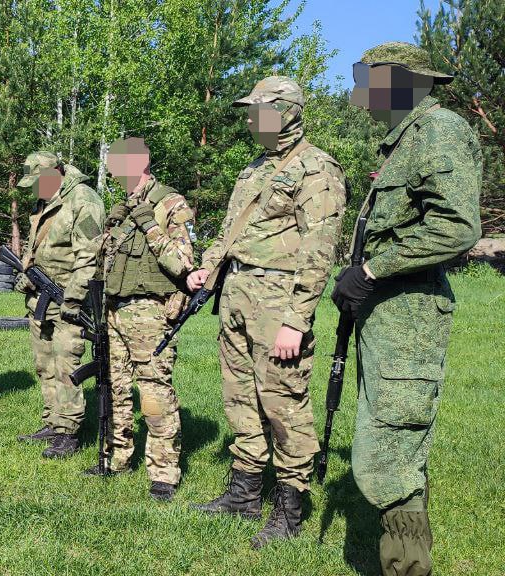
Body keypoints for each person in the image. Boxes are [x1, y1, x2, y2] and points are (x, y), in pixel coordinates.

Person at [335, 42, 481, 576]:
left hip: (410, 318)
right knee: (384, 440)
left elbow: (458, 226)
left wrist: (372, 270)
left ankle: (407, 568)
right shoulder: (405, 141)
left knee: (389, 454)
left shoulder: (439, 130)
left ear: (402, 82)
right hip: (390, 315)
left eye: (369, 81)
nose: (361, 93)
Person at [187, 76, 346, 549]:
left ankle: (290, 507)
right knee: (240, 396)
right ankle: (244, 493)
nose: (254, 121)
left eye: (262, 112)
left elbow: (320, 251)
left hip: (279, 302)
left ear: (289, 112)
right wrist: (208, 267)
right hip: (237, 293)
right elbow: (231, 231)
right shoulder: (256, 167)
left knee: (283, 402)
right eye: (251, 113)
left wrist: (297, 319)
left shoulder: (317, 169)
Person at [94, 137, 195, 501]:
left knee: (152, 390)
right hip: (115, 309)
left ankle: (164, 473)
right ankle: (117, 457)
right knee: (116, 386)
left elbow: (183, 262)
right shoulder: (123, 207)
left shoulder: (170, 202)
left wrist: (149, 225)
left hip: (151, 311)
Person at [13, 151, 105, 459]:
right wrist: (26, 274)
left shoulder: (83, 199)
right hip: (41, 297)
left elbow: (89, 255)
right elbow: (36, 246)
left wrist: (75, 297)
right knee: (45, 363)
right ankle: (53, 420)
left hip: (69, 298)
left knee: (67, 363)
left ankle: (68, 431)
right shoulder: (46, 201)